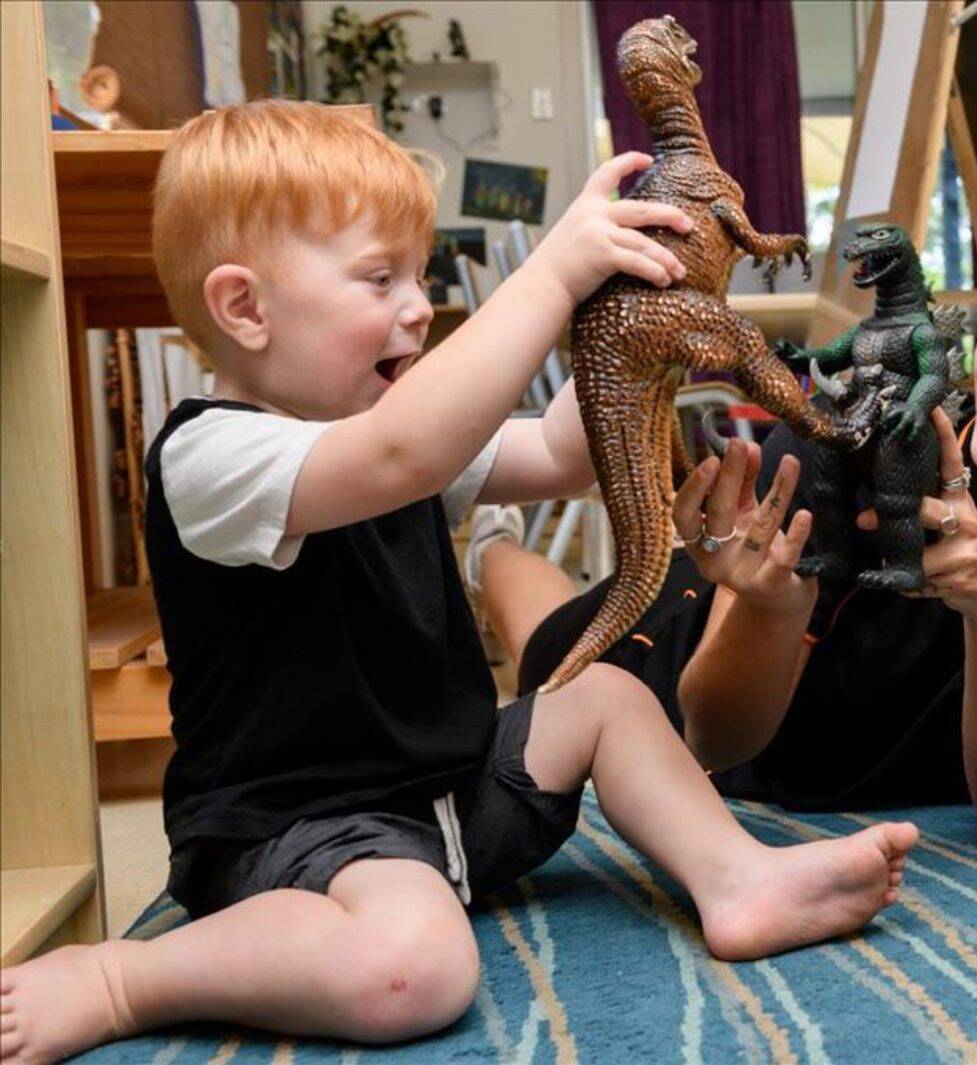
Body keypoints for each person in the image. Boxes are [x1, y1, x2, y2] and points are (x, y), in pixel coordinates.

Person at [0, 101, 916, 1065]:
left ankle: (735, 878)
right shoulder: (214, 457)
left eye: (421, 276)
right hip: (299, 835)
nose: (415, 307)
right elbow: (403, 453)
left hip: (452, 795)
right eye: (379, 278)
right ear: (245, 309)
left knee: (603, 695)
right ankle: (122, 978)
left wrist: (633, 310)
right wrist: (550, 275)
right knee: (416, 969)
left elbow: (560, 452)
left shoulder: (389, 423)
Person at [472, 188, 977, 839]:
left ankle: (495, 548)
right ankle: (490, 546)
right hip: (679, 645)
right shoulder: (850, 443)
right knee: (546, 646)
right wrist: (771, 606)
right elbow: (717, 738)